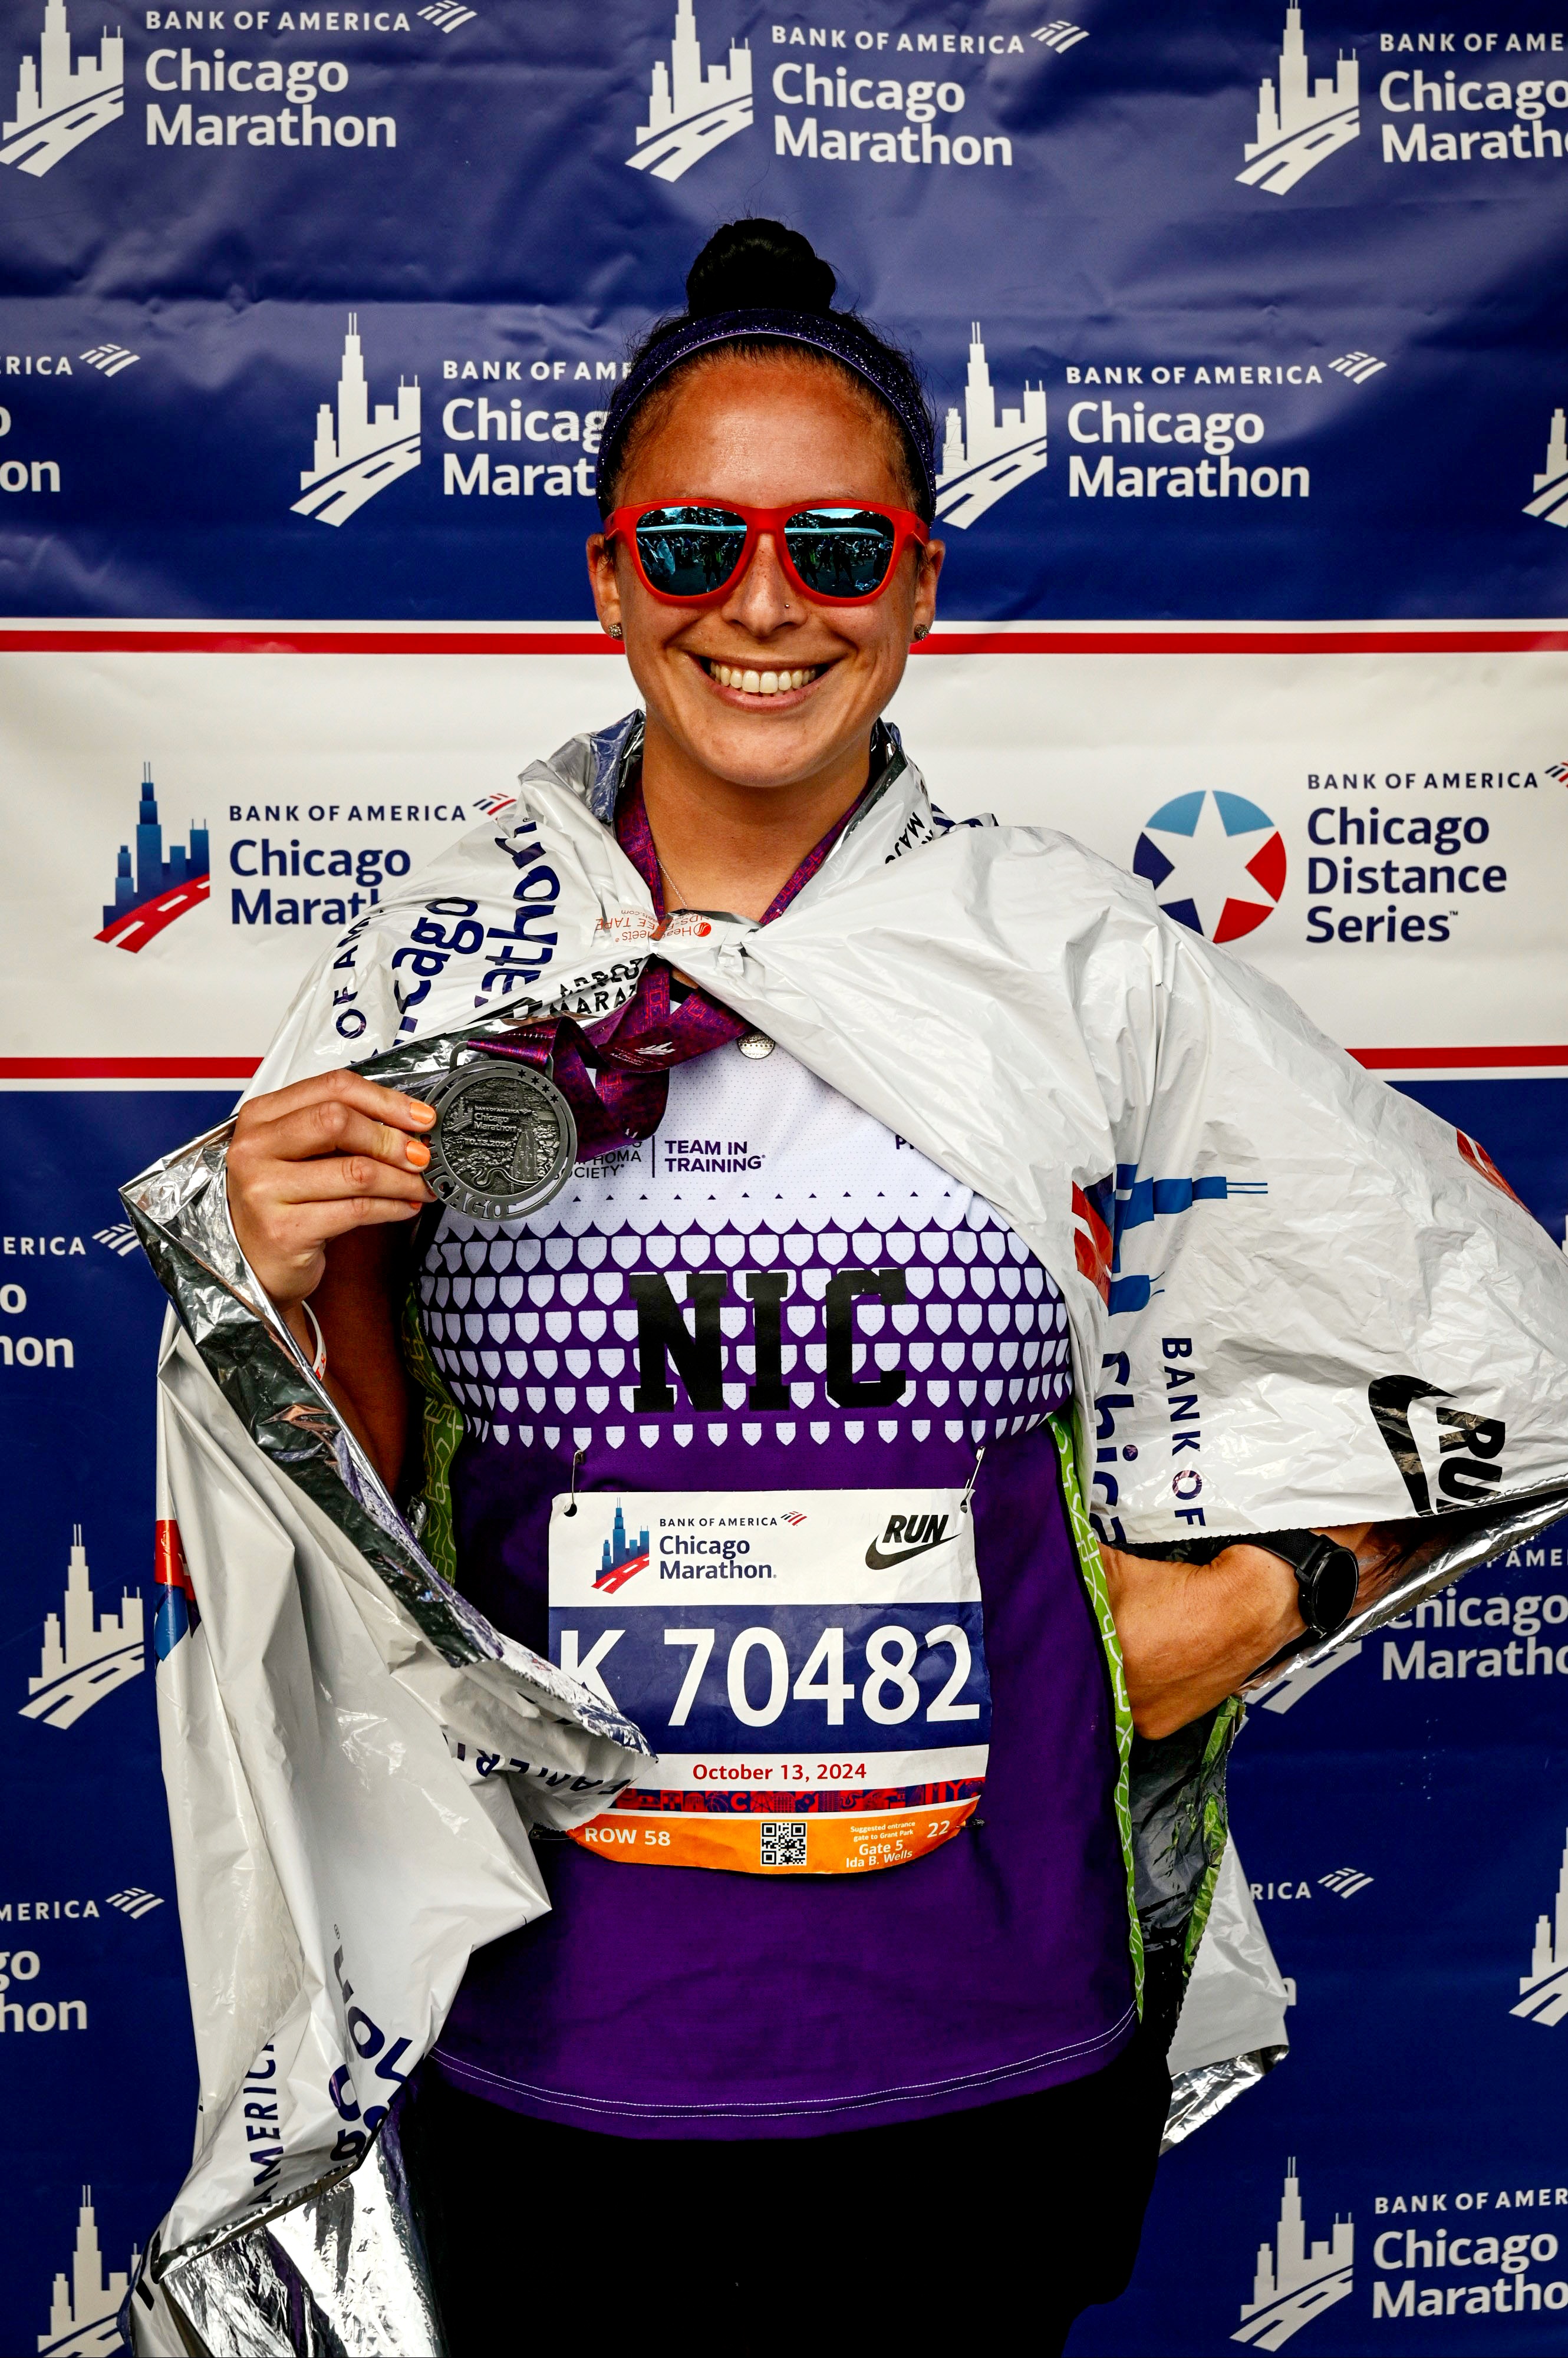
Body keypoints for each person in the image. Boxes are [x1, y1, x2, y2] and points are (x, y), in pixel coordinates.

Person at [219, 220, 1460, 2353]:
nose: (763, 605)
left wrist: (1283, 1583)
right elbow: (364, 1531)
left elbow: (1461, 1310)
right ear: (610, 578)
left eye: (836, 545)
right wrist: (281, 1280)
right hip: (558, 2015)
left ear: (917, 589)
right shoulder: (437, 964)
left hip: (982, 2014)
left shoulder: (1073, 961)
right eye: (693, 543)